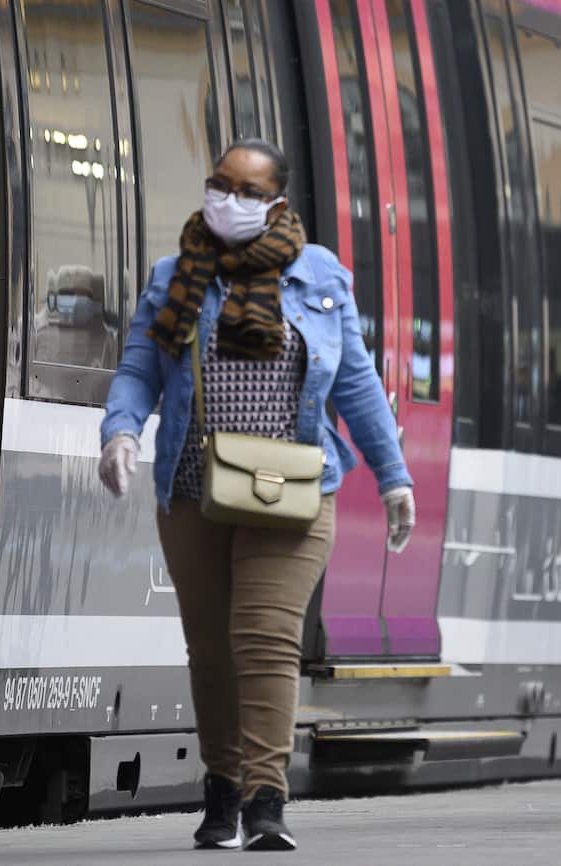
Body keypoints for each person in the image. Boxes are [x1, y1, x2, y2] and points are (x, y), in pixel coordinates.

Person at [99, 139, 415, 850]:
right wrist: (120, 432)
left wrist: (394, 478)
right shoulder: (174, 274)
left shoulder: (321, 275)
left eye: (245, 190)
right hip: (192, 485)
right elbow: (140, 367)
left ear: (275, 202)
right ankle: (222, 786)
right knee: (211, 648)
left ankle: (265, 801)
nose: (226, 200)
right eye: (219, 184)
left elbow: (358, 384)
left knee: (267, 640)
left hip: (295, 489)